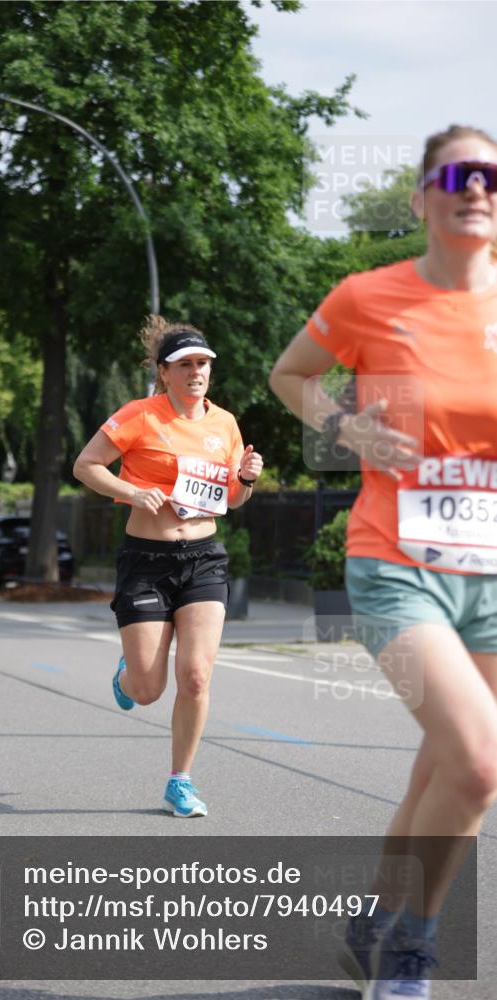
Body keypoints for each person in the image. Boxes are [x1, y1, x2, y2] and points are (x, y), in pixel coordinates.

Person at [269, 125, 497, 999]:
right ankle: (411, 946)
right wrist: (344, 425)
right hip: (392, 562)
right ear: (420, 198)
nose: (475, 187)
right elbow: (291, 374)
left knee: (444, 768)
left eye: (490, 175)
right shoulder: (369, 295)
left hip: (488, 574)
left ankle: (372, 922)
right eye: (456, 173)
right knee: (477, 765)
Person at [74, 316, 263, 817]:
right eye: (186, 365)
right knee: (149, 689)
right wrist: (132, 491)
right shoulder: (140, 415)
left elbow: (232, 500)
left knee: (196, 676)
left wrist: (245, 479)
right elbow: (86, 466)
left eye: (203, 364)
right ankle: (128, 677)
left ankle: (180, 780)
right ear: (165, 372)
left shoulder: (223, 422)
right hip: (146, 560)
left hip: (204, 559)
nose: (197, 372)